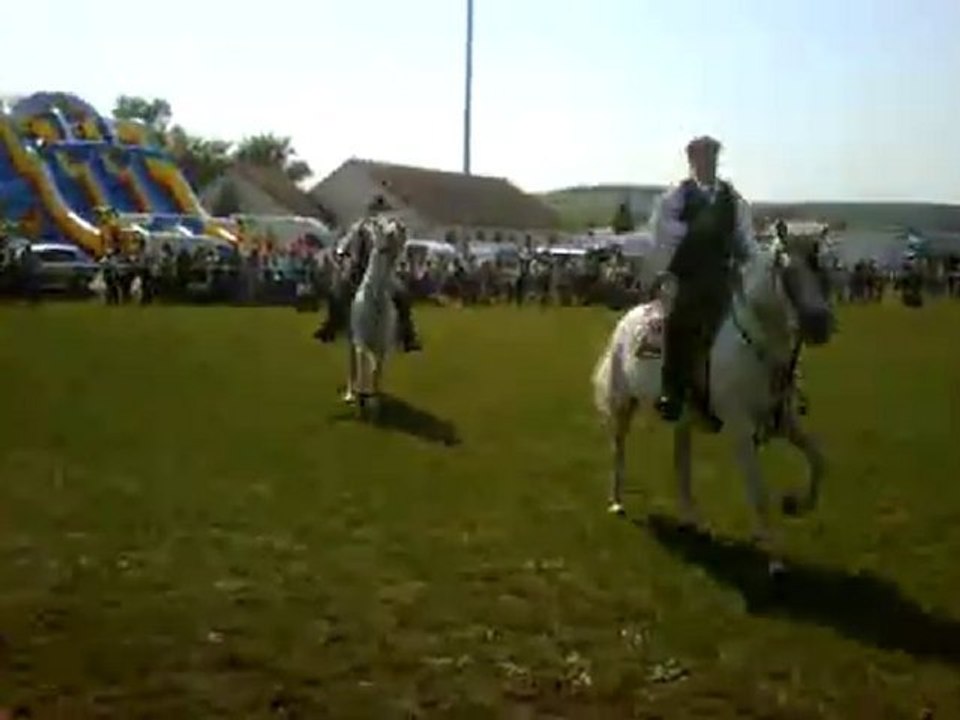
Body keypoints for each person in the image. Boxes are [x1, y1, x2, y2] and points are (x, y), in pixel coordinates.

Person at [648, 135, 759, 426]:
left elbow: (745, 238)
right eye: (700, 157)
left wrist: (749, 259)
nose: (706, 163)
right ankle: (672, 392)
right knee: (677, 321)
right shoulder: (677, 197)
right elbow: (665, 235)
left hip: (722, 276)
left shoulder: (732, 199)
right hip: (688, 276)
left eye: (711, 157)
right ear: (691, 161)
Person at [313, 196, 423, 352]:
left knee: (403, 297)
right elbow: (343, 247)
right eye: (376, 210)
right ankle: (330, 328)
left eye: (381, 210)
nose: (378, 214)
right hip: (359, 270)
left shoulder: (392, 229)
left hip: (383, 272)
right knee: (336, 293)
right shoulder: (358, 228)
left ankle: (408, 337)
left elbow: (398, 251)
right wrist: (343, 258)